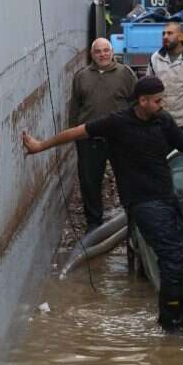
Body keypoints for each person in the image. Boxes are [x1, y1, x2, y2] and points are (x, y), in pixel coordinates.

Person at [23, 76, 183, 331]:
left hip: (167, 198)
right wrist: (40, 146)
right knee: (171, 256)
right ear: (142, 101)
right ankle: (172, 323)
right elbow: (76, 132)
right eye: (157, 101)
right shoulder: (117, 123)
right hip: (141, 202)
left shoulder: (163, 121)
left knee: (179, 254)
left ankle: (177, 314)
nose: (162, 105)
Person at [69, 38, 137, 230]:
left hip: (119, 138)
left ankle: (132, 218)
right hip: (89, 139)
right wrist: (73, 131)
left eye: (106, 50)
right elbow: (75, 107)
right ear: (92, 54)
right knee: (89, 181)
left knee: (127, 178)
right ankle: (93, 223)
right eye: (98, 51)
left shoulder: (125, 74)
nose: (103, 54)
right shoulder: (81, 77)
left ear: (112, 52)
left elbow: (135, 103)